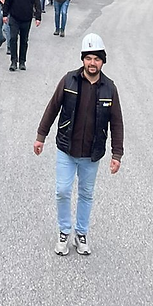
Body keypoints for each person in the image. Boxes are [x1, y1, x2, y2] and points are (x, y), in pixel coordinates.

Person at [34, 33, 124, 257]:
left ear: (103, 61)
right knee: (62, 191)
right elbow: (52, 108)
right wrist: (40, 136)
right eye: (88, 58)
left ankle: (81, 234)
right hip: (66, 148)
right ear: (82, 59)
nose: (92, 63)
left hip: (91, 154)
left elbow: (117, 122)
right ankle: (64, 231)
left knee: (86, 193)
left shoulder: (109, 88)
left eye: (97, 59)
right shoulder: (69, 80)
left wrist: (117, 154)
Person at [2, 0, 42, 72]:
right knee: (13, 38)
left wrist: (38, 17)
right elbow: (7, 2)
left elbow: (37, 3)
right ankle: (13, 61)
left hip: (27, 18)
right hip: (14, 18)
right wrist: (5, 15)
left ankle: (22, 61)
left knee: (24, 40)